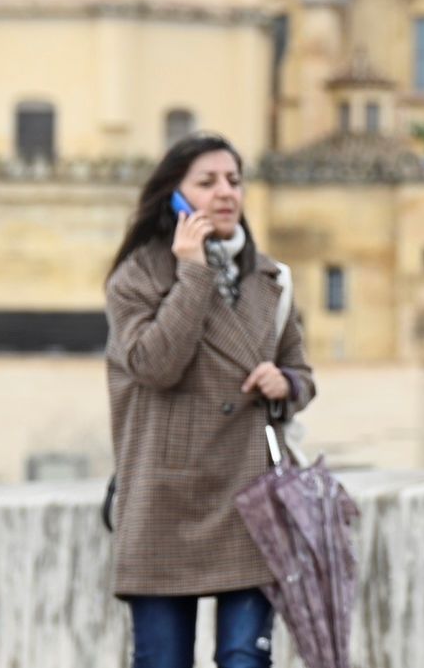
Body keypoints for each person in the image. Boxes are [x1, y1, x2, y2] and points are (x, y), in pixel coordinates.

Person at [104, 132, 315, 668]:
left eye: (234, 181)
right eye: (207, 182)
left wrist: (286, 384)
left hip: (251, 496)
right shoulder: (136, 278)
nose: (225, 193)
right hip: (164, 498)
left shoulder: (271, 278)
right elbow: (154, 365)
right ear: (174, 196)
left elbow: (302, 373)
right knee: (163, 660)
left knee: (245, 658)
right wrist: (193, 272)